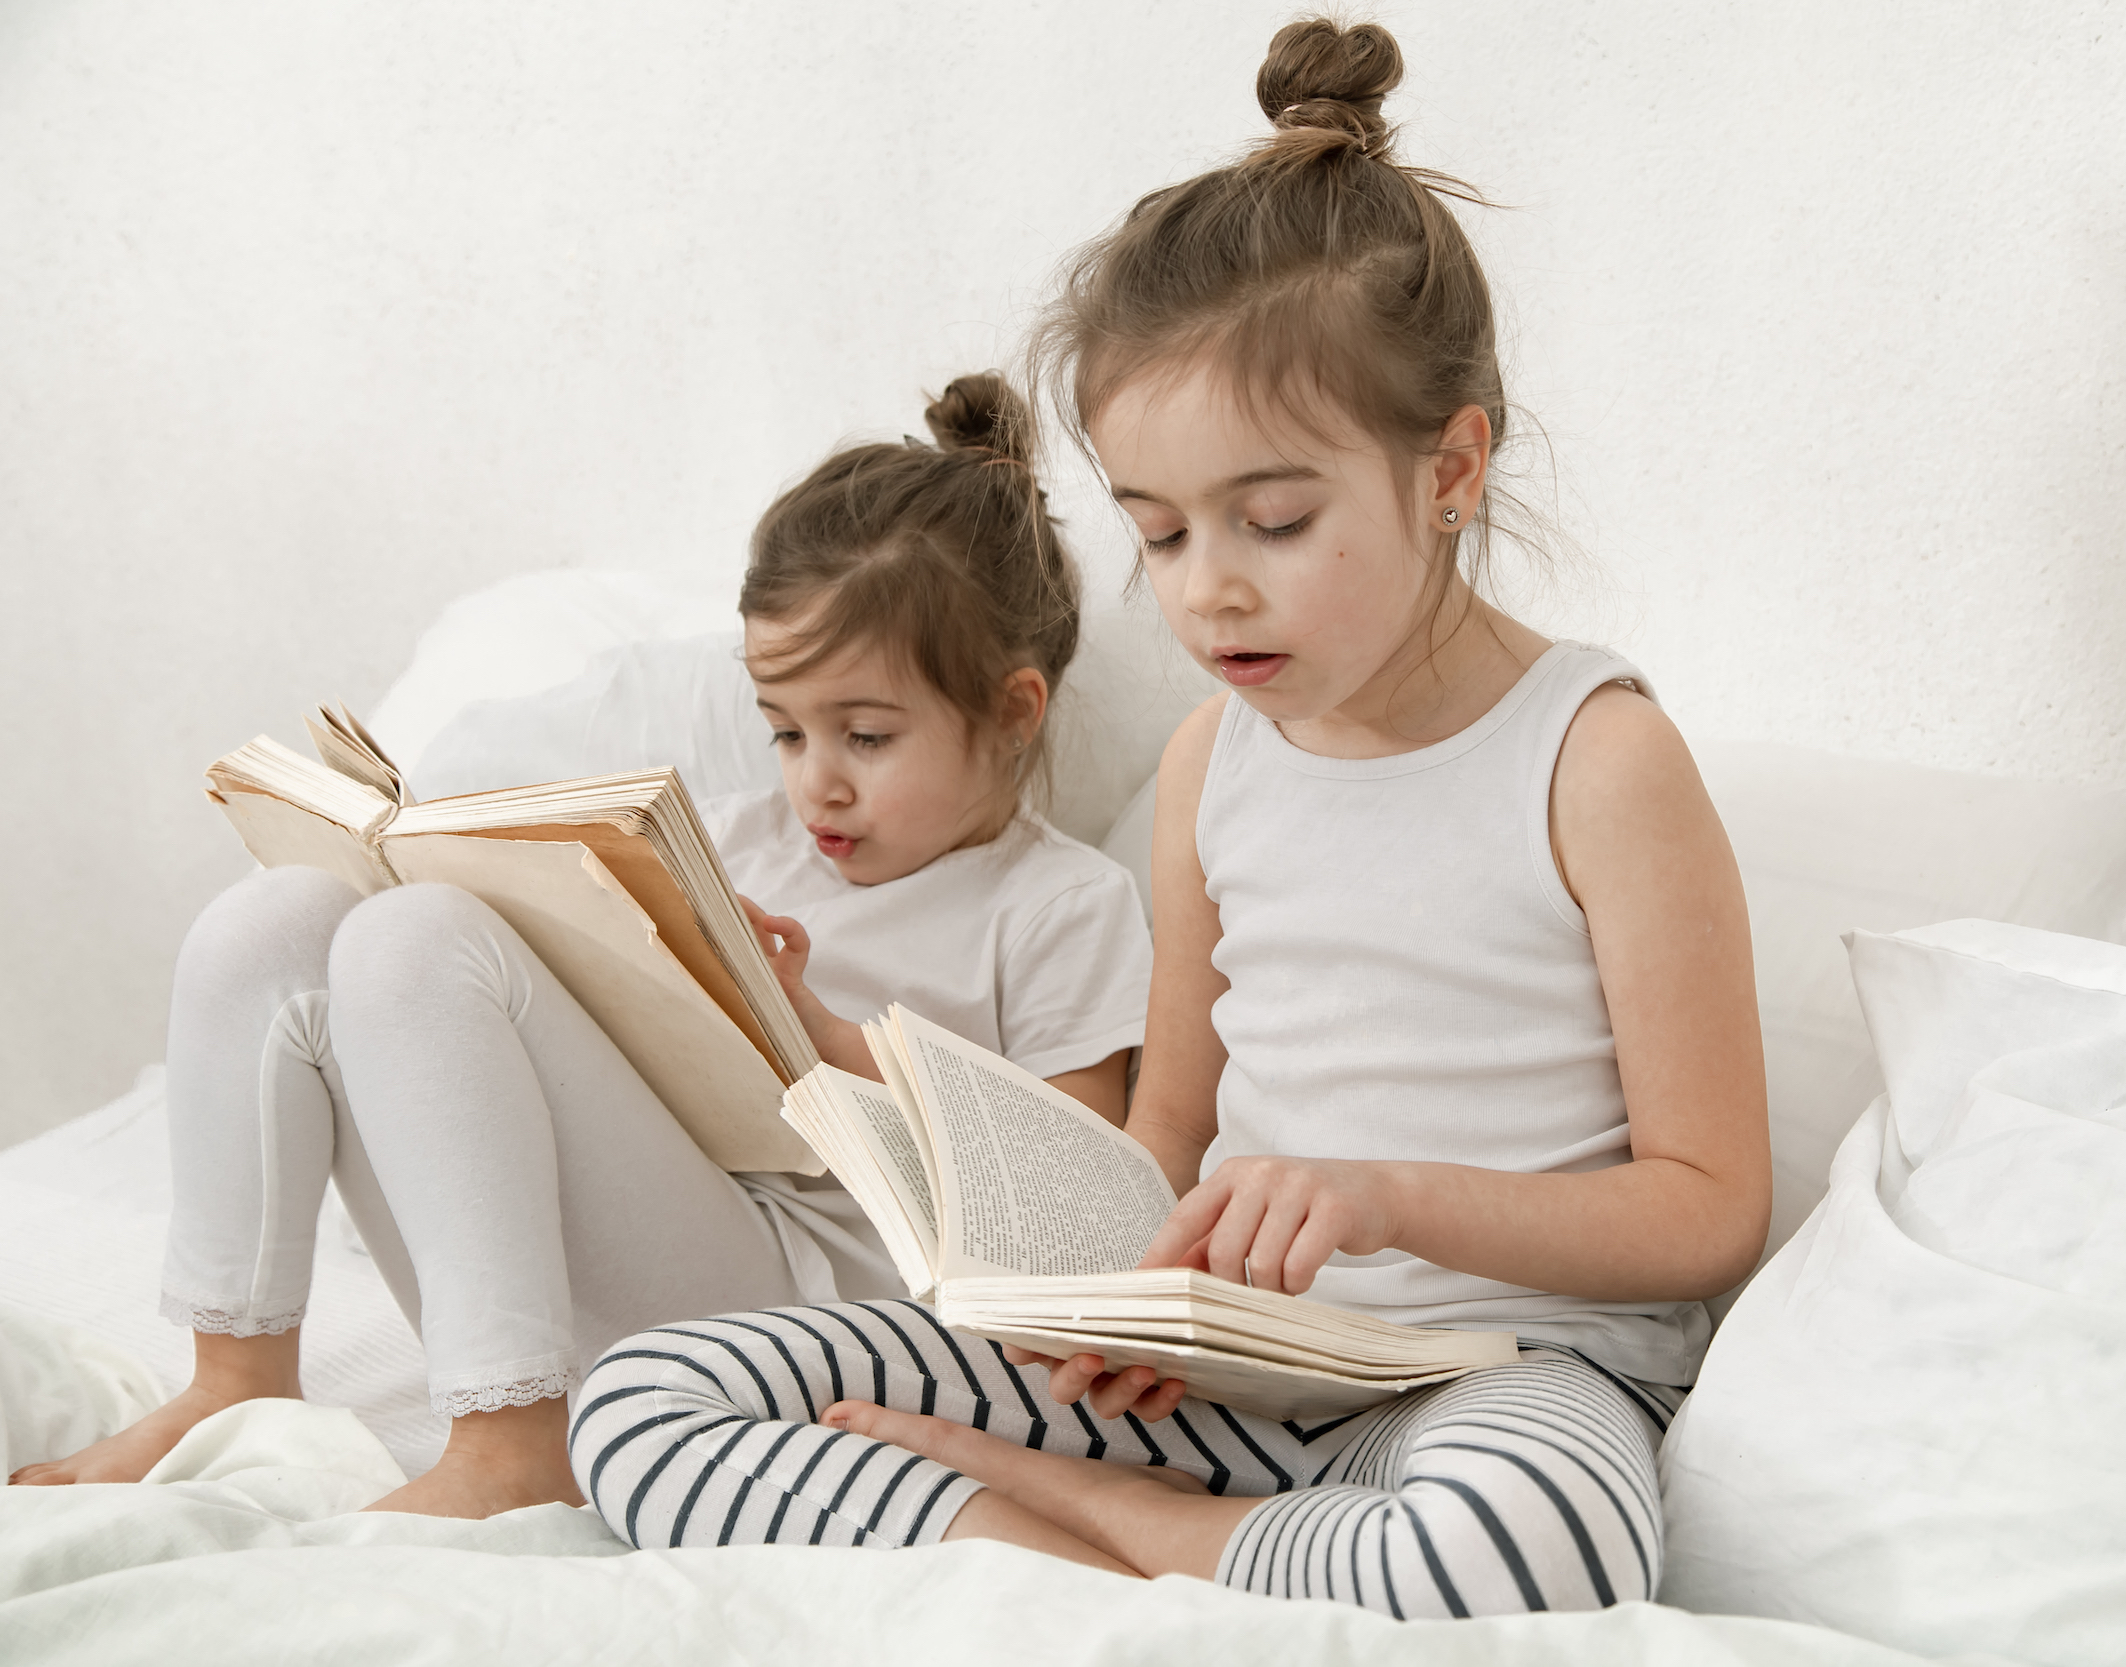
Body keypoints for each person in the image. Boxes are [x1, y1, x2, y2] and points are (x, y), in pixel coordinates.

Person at [566, 19, 1771, 1615]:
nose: (1208, 585)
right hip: (1226, 1391)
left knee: (1534, 1546)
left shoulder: (1597, 759)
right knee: (642, 1400)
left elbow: (1709, 1207)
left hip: (1501, 1379)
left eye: (1272, 518)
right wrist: (1129, 1296)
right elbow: (1167, 1137)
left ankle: (1080, 1524)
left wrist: (1381, 1195)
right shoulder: (1214, 762)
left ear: (1451, 468)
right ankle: (1169, 1556)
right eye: (1160, 529)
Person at [8, 374, 1153, 1520]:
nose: (819, 779)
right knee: (282, 918)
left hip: (808, 1312)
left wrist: (821, 1035)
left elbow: (1078, 1197)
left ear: (1014, 710)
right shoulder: (739, 838)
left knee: (421, 941)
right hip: (599, 1258)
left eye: (865, 734)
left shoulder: (1060, 904)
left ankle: (514, 1445)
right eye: (786, 731)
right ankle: (235, 1378)